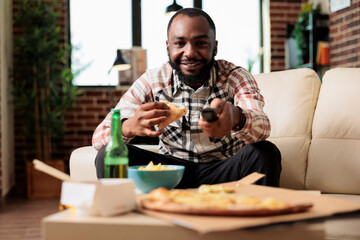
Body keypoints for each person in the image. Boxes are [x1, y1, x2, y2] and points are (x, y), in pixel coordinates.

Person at [92, 8, 281, 188]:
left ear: (214, 48)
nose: (189, 53)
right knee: (106, 155)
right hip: (169, 173)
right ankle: (122, 214)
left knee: (265, 152)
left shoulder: (234, 77)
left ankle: (253, 218)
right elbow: (99, 138)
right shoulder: (152, 80)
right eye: (179, 43)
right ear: (168, 48)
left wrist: (236, 118)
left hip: (224, 171)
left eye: (201, 43)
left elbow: (263, 128)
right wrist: (128, 126)